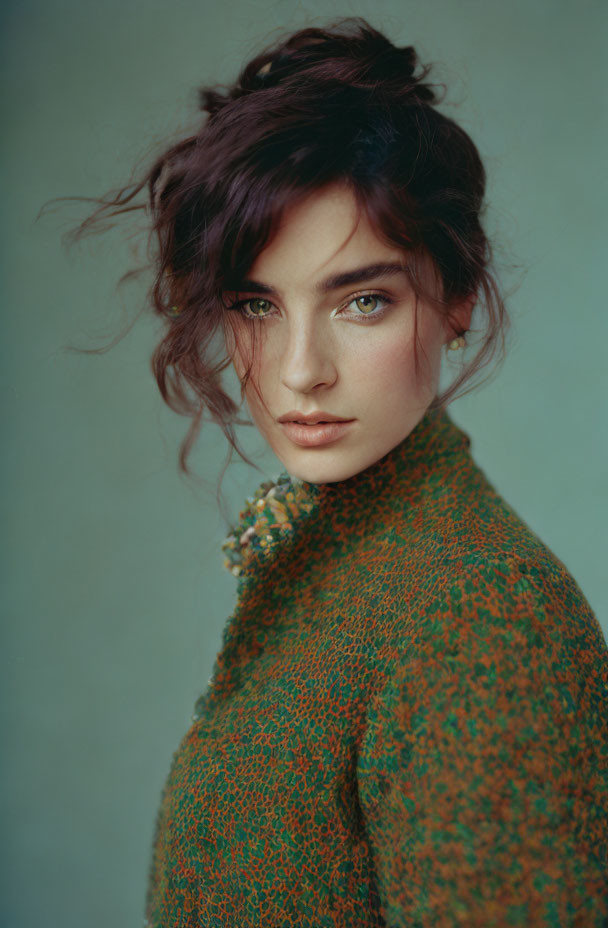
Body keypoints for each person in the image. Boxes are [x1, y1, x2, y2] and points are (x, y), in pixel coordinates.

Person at [53, 17, 608, 927]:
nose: (301, 368)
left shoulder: (479, 614)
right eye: (257, 305)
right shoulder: (342, 573)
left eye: (362, 301)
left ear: (457, 294)